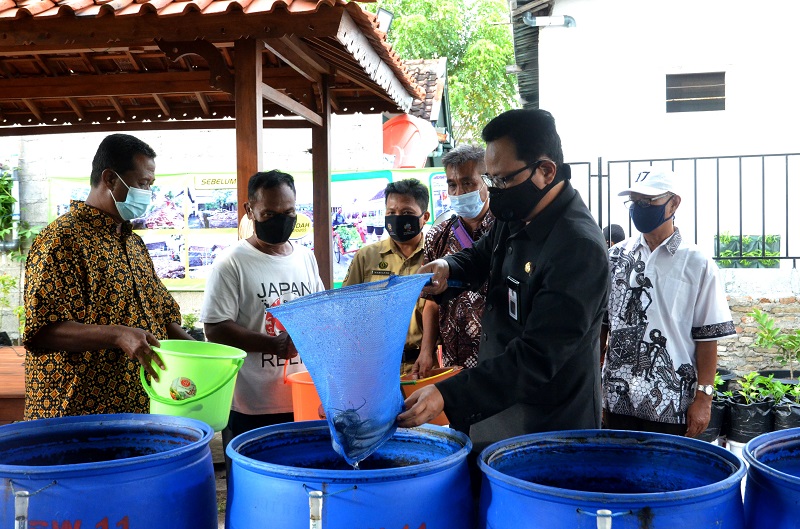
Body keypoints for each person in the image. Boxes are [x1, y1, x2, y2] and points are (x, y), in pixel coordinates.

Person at [398, 109, 610, 454]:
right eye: (491, 180)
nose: (495, 192)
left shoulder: (577, 248)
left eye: (503, 181)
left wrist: (449, 395)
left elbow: (538, 358)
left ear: (545, 171)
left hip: (548, 428)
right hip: (497, 409)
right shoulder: (518, 213)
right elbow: (482, 256)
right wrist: (446, 267)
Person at [23, 133, 193, 420]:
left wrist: (207, 354)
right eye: (142, 184)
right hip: (77, 413)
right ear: (110, 179)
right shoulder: (62, 239)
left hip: (138, 407)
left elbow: (162, 317)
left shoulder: (133, 243)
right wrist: (117, 334)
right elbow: (43, 329)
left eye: (150, 185)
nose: (148, 193)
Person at [601, 169, 735, 437]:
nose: (639, 209)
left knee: (663, 475)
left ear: (674, 203)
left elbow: (707, 338)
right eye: (635, 202)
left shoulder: (697, 263)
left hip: (671, 406)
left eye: (648, 201)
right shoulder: (615, 257)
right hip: (616, 399)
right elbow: (602, 326)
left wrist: (704, 399)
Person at [200, 170, 325, 450]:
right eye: (270, 214)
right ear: (250, 210)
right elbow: (215, 328)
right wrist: (273, 345)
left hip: (303, 396)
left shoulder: (305, 257)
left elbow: (319, 314)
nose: (282, 220)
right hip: (252, 406)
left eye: (289, 211)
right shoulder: (231, 263)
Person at [412, 145, 494, 379]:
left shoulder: (504, 230)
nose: (459, 192)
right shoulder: (438, 235)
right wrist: (426, 351)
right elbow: (431, 301)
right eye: (452, 184)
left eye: (468, 183)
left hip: (496, 360)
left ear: (486, 182)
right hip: (453, 360)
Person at [342, 178, 430, 366]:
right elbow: (347, 309)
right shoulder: (367, 257)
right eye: (391, 212)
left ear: (425, 217)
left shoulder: (436, 257)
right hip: (375, 364)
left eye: (407, 212)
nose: (397, 218)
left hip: (422, 363)